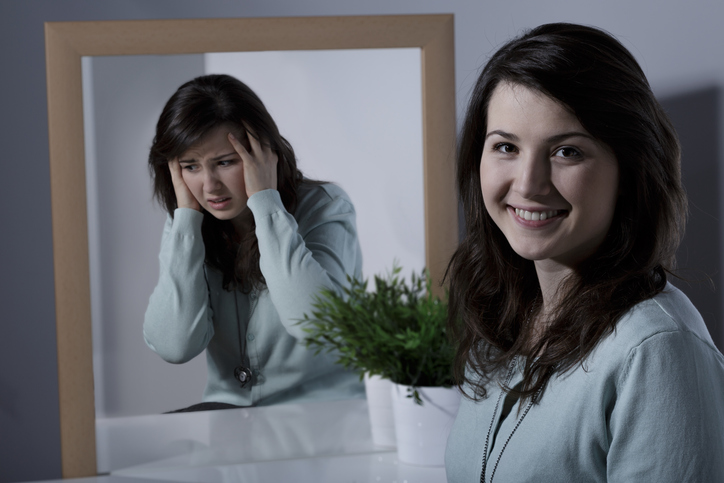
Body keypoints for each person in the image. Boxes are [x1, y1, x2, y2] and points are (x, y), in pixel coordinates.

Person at [444, 23, 724, 482]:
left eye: (567, 151)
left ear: (630, 170)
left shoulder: (657, 352)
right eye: (506, 147)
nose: (528, 184)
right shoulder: (510, 320)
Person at [143, 74, 364, 409]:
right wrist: (186, 220)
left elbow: (316, 323)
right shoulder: (188, 223)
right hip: (230, 423)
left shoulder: (326, 205)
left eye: (225, 162)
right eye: (191, 166)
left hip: (322, 416)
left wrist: (265, 201)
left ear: (262, 153)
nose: (209, 186)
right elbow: (174, 346)